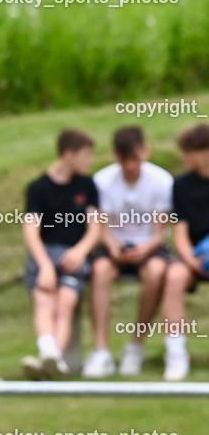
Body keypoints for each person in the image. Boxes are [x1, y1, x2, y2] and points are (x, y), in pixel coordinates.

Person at [82, 126, 172, 377]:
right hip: (113, 244)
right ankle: (101, 350)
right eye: (125, 160)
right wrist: (113, 247)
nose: (130, 166)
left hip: (149, 246)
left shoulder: (161, 181)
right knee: (99, 271)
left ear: (145, 152)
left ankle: (136, 344)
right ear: (115, 156)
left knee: (156, 272)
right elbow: (101, 226)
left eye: (135, 158)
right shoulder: (102, 181)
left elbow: (159, 232)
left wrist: (146, 248)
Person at [21, 128, 102, 380]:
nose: (89, 161)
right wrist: (44, 265)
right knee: (44, 299)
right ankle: (50, 356)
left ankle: (51, 360)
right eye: (85, 155)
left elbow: (95, 227)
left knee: (65, 303)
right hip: (44, 254)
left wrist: (80, 252)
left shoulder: (87, 186)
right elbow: (31, 232)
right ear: (68, 155)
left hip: (73, 256)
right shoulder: (37, 188)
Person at [160, 124, 209, 381]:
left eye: (188, 151)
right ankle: (176, 354)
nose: (183, 157)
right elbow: (179, 231)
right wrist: (192, 262)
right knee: (173, 278)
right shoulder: (181, 185)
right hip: (193, 258)